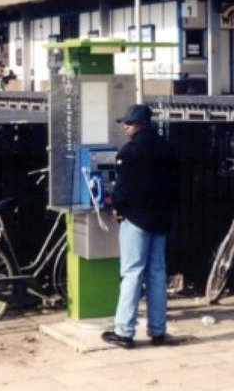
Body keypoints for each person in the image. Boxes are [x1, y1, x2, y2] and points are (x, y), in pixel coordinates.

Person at [102, 104, 180, 350]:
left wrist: (117, 207)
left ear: (142, 124)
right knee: (157, 273)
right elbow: (175, 184)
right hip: (162, 218)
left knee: (132, 272)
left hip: (136, 219)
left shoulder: (130, 151)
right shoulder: (167, 148)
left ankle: (124, 332)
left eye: (130, 122)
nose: (125, 126)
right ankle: (158, 330)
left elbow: (122, 188)